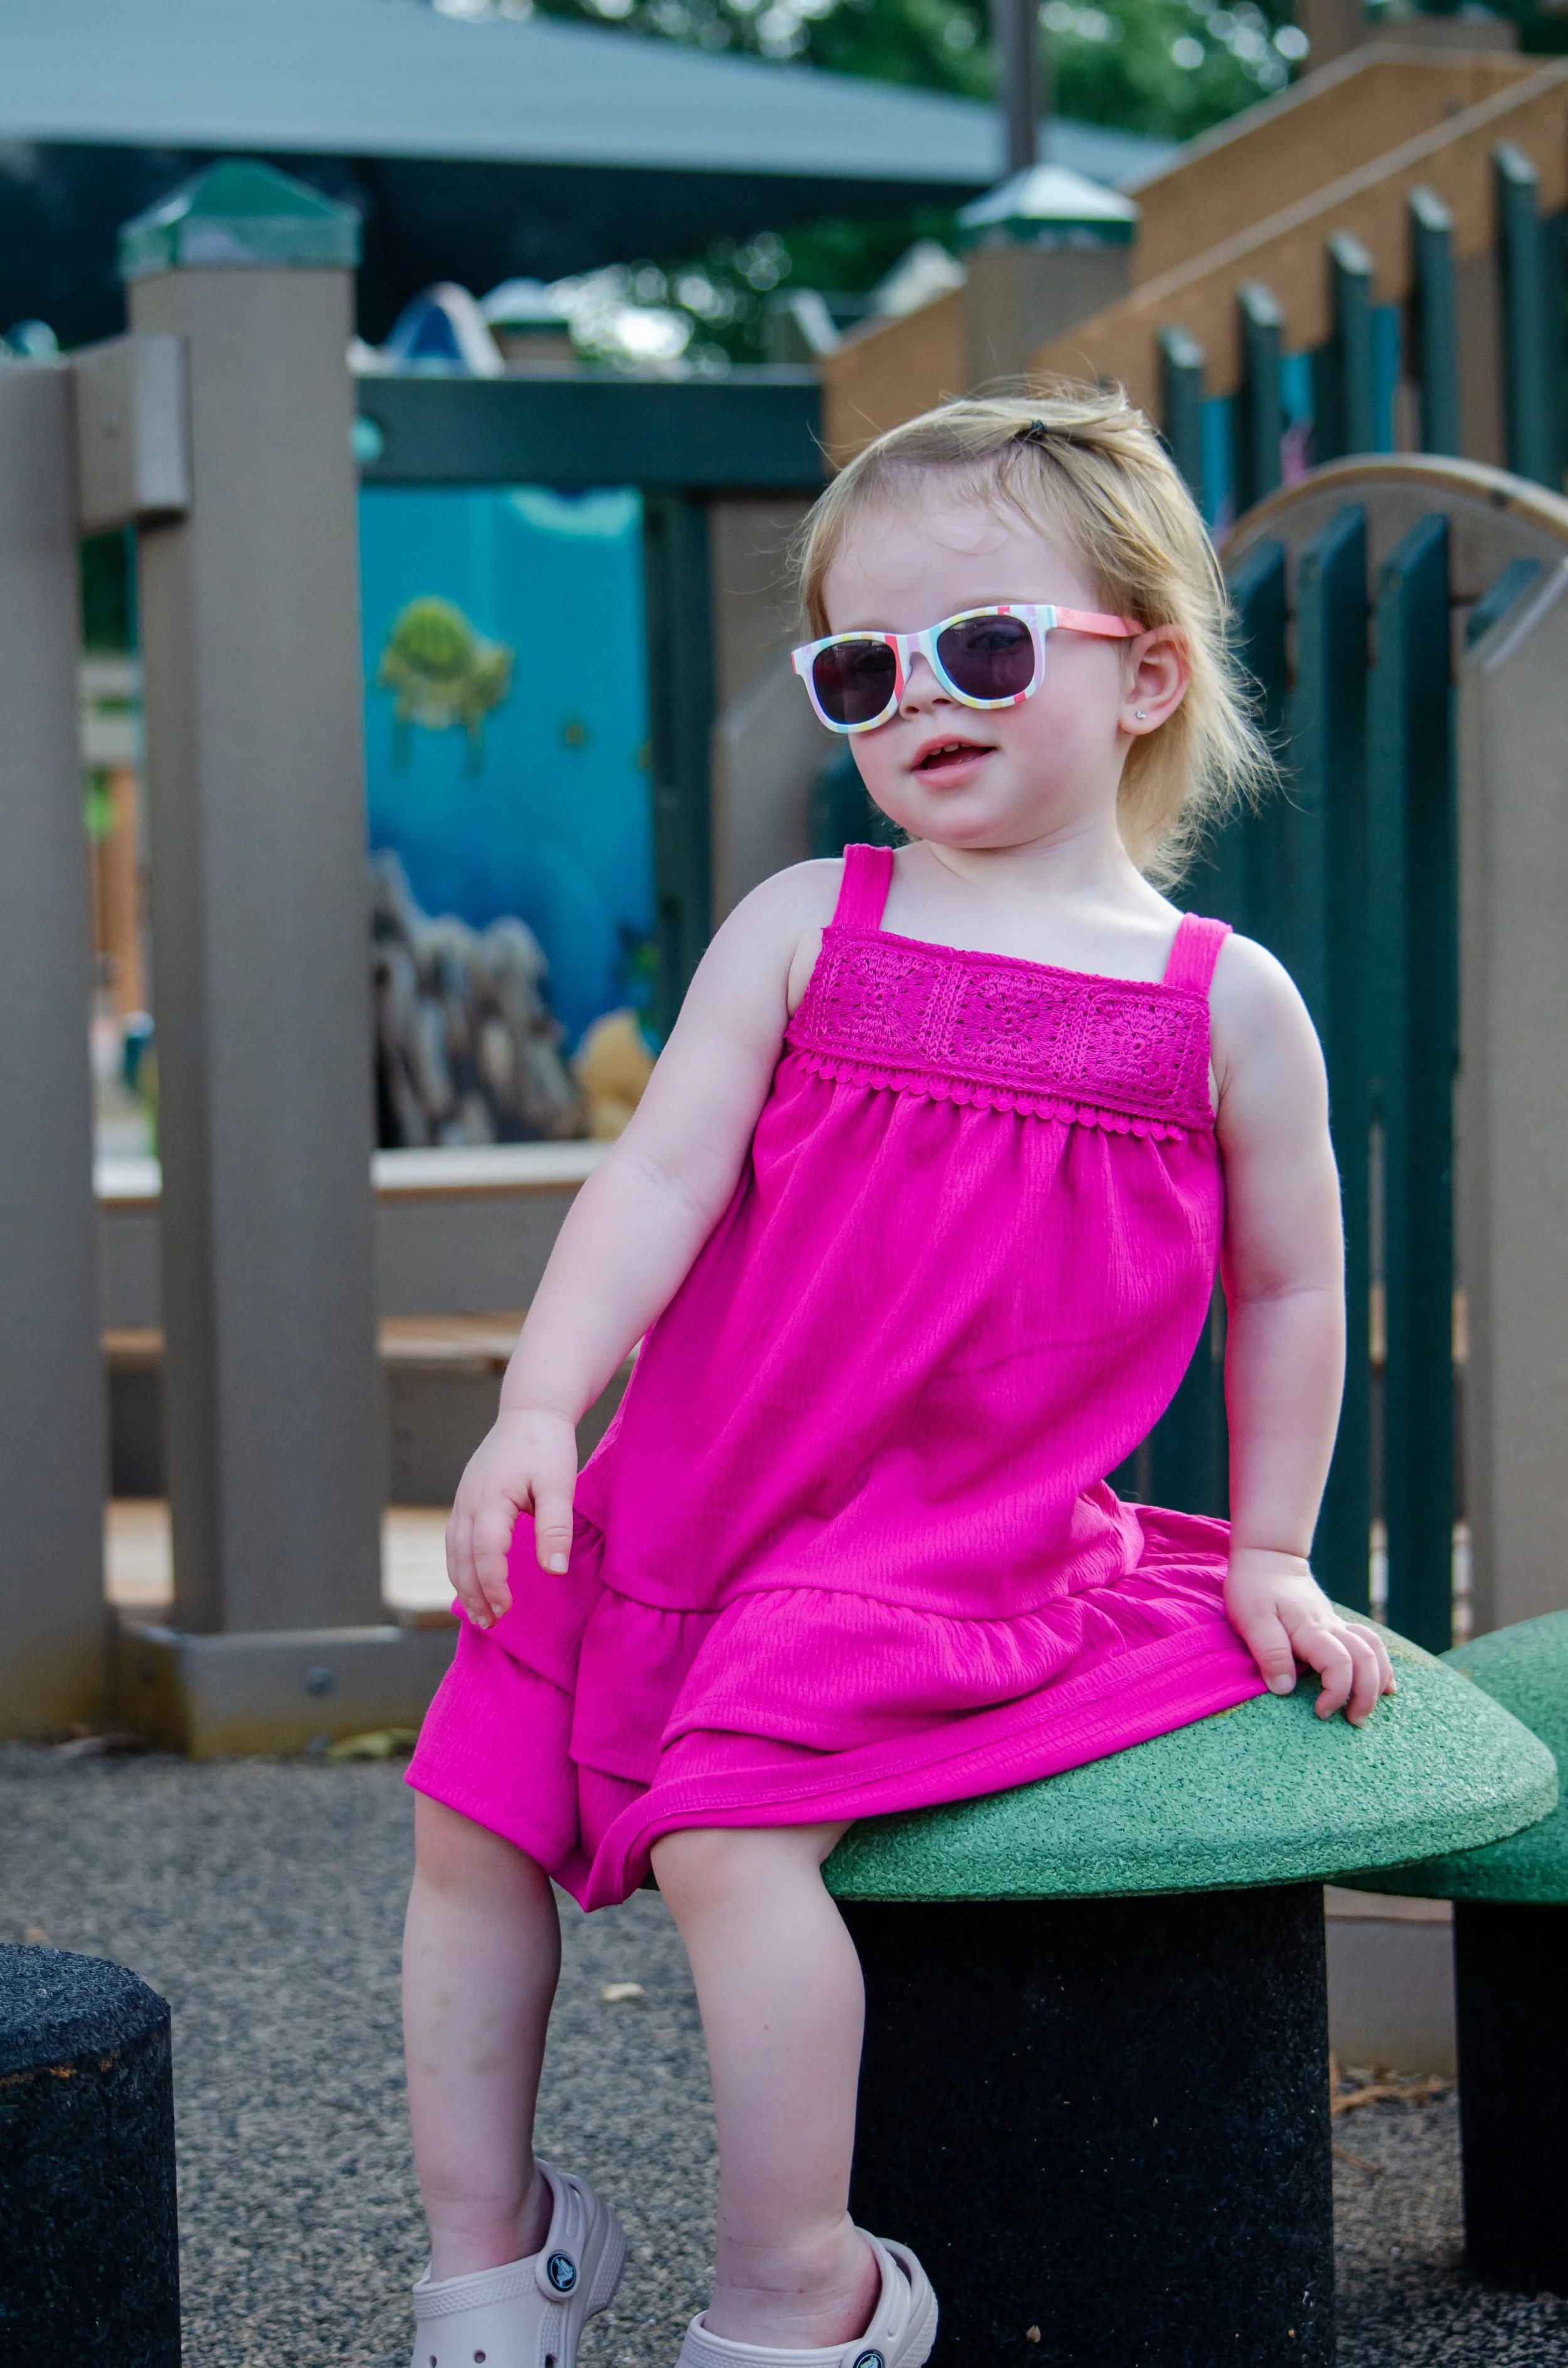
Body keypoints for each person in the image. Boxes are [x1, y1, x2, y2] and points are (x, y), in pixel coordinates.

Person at [400, 386, 1397, 2368]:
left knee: (726, 1829)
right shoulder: (808, 925)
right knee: (464, 1810)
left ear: (1145, 677)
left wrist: (1271, 1548)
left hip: (945, 1544)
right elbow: (658, 1173)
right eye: (863, 666)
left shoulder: (1217, 1002)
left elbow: (1291, 1286)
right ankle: (489, 2253)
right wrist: (539, 1408)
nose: (917, 698)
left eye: (986, 648)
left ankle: (802, 2285)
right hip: (691, 1488)